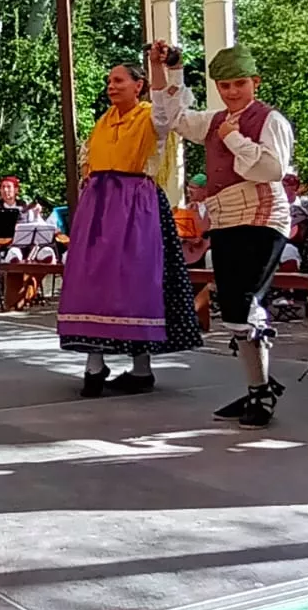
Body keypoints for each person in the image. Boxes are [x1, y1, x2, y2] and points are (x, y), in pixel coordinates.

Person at [154, 42, 297, 427]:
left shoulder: (270, 121)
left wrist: (235, 139)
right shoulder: (216, 120)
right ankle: (259, 388)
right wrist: (171, 70)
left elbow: (271, 170)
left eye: (239, 84)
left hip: (262, 216)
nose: (232, 92)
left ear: (255, 82)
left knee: (245, 299)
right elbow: (177, 118)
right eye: (225, 85)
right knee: (234, 305)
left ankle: (261, 392)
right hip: (227, 217)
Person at [57, 60, 201, 397]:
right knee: (91, 282)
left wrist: (162, 67)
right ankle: (94, 365)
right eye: (109, 80)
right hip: (99, 204)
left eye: (119, 80)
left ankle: (141, 369)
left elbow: (171, 110)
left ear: (139, 85)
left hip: (137, 204)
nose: (111, 85)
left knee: (136, 281)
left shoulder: (151, 116)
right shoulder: (103, 122)